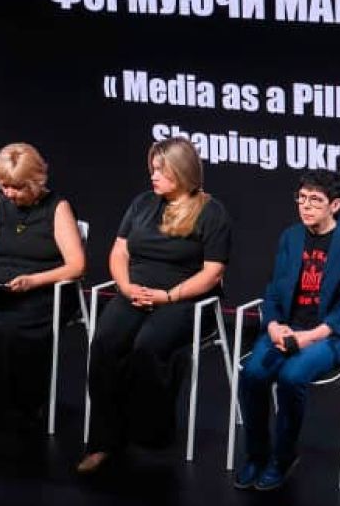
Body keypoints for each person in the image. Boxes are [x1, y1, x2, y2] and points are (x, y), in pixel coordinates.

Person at [78, 137, 232, 475]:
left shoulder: (211, 211)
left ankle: (148, 431)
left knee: (148, 345)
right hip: (136, 290)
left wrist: (169, 296)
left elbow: (213, 272)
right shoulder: (143, 203)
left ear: (183, 171)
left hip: (185, 297)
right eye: (153, 169)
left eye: (161, 170)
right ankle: (103, 440)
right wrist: (125, 286)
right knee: (105, 343)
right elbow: (119, 251)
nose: (153, 175)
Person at [232, 170, 340, 490]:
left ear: (334, 205)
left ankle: (283, 457)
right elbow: (274, 289)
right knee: (253, 374)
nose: (306, 206)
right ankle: (256, 455)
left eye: (315, 200)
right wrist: (273, 325)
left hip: (331, 334)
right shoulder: (291, 237)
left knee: (291, 376)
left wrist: (311, 336)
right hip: (287, 327)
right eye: (302, 198)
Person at [0, 142, 86, 450]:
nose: (10, 193)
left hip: (43, 288)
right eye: (4, 186)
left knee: (10, 331)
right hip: (1, 284)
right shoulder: (1, 204)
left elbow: (76, 265)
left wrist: (33, 281)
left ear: (36, 181)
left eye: (17, 188)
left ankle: (16, 410)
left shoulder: (57, 207)